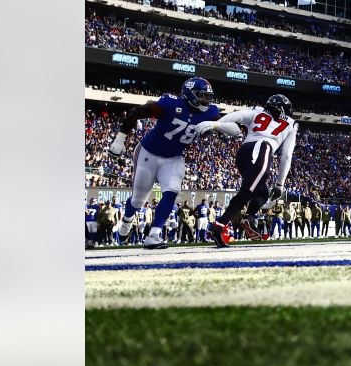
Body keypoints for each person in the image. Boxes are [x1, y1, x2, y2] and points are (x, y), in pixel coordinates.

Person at [106, 77, 236, 249]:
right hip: (149, 152)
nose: (206, 100)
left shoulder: (210, 113)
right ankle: (127, 220)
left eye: (208, 96)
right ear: (189, 94)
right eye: (201, 96)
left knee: (172, 191)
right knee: (138, 200)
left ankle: (154, 235)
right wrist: (120, 139)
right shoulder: (170, 104)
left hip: (174, 157)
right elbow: (136, 112)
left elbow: (235, 130)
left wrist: (215, 126)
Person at [198, 94, 300, 247]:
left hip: (243, 153)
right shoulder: (291, 123)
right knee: (247, 192)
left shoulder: (256, 111)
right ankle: (220, 225)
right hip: (262, 149)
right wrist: (280, 184)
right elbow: (286, 156)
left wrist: (215, 124)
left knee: (262, 193)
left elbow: (234, 116)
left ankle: (249, 217)